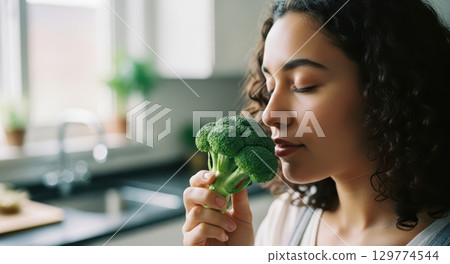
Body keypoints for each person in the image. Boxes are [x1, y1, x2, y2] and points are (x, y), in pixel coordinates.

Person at [182, 0, 450, 246]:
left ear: (387, 88)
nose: (269, 114)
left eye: (304, 86)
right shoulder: (285, 219)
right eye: (269, 86)